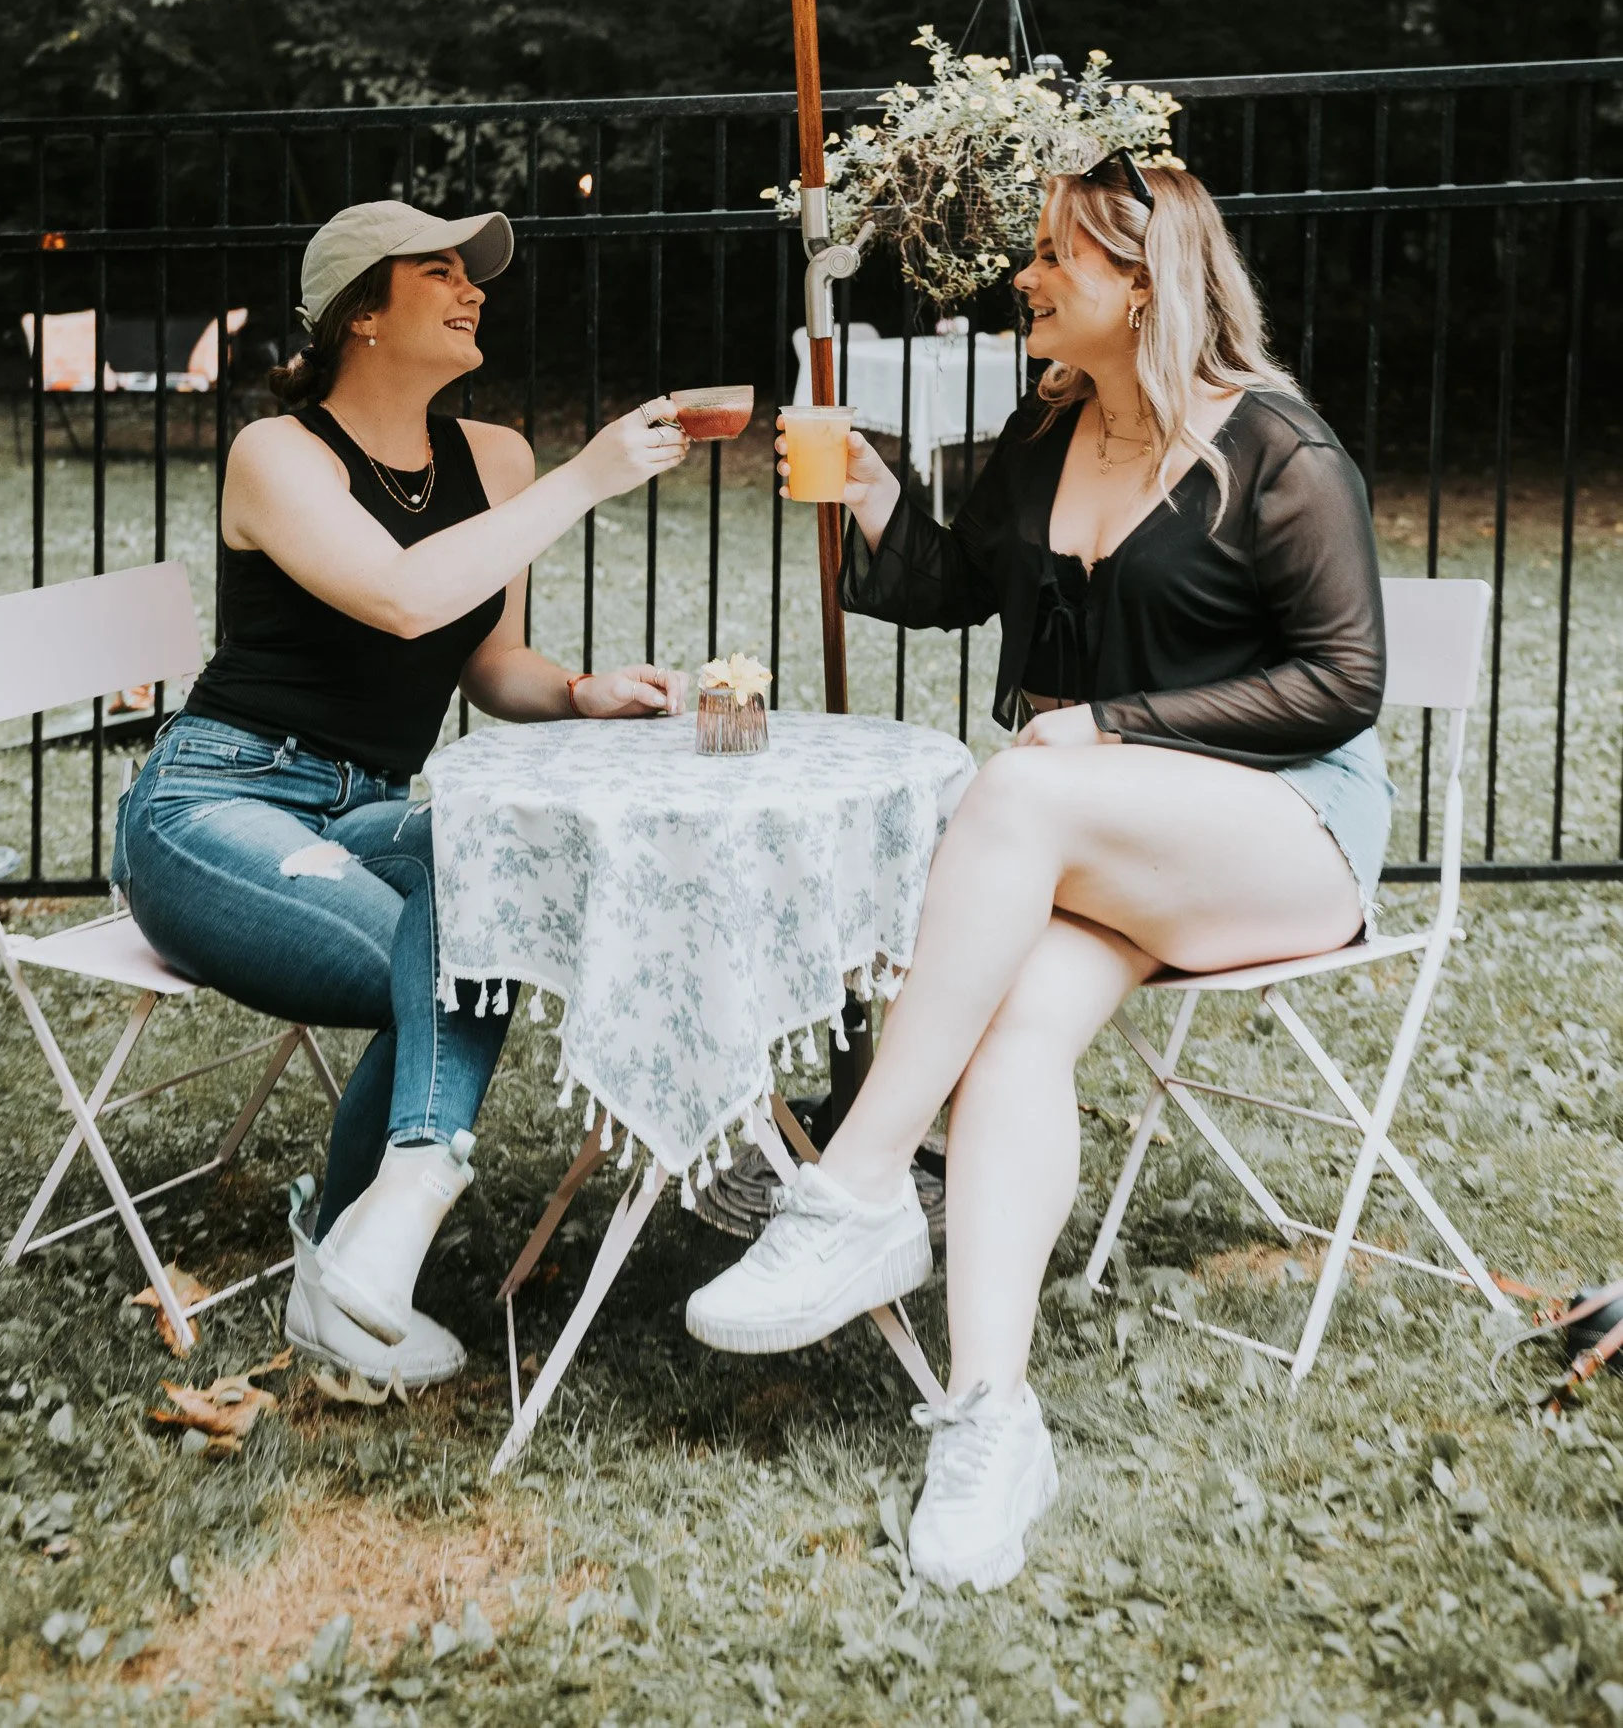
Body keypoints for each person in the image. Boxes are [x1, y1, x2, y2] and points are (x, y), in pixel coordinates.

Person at [685, 157, 1391, 1593]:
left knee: (1014, 782)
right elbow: (953, 586)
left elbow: (1341, 680)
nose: (1024, 278)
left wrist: (1112, 726)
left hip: (1277, 836)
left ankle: (862, 1183)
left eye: (1052, 258)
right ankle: (990, 1418)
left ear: (1140, 280)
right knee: (1010, 1029)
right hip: (1104, 845)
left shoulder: (1275, 451)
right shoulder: (1046, 427)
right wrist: (877, 491)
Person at [115, 200, 689, 1387]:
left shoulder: (497, 460)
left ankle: (351, 1259)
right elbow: (402, 597)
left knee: (496, 865)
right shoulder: (279, 453)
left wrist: (581, 690)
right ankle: (397, 1202)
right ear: (360, 313)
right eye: (437, 270)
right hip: (214, 802)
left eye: (472, 272)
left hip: (363, 804)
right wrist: (586, 479)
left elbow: (488, 661)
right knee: (442, 949)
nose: (471, 287)